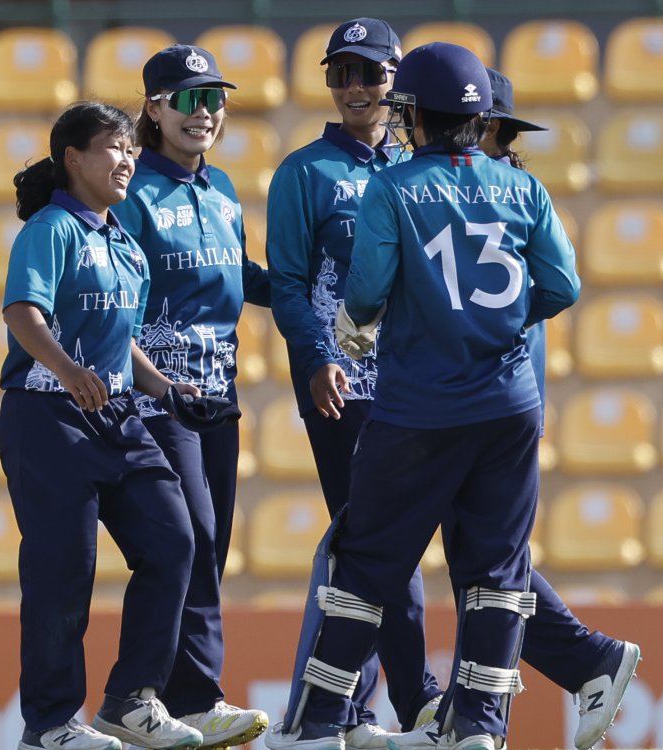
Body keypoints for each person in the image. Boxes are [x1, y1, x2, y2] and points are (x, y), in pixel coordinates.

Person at [266, 42, 585, 750]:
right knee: (496, 570)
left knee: (369, 558)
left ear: (416, 112)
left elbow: (368, 294)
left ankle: (322, 719)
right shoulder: (522, 187)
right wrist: (494, 323)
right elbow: (563, 287)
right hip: (507, 401)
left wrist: (352, 333)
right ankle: (478, 727)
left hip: (418, 403)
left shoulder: (398, 185)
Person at [397, 67, 643, 750]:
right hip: (492, 397)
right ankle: (489, 708)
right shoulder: (504, 201)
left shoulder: (495, 201)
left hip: (471, 399)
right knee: (486, 559)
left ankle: (502, 706)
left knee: (490, 564)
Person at [0, 102, 208, 750]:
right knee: (65, 569)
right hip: (48, 417)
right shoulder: (51, 229)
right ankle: (50, 724)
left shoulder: (124, 242)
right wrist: (66, 370)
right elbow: (22, 313)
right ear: (73, 159)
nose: (126, 160)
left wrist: (167, 390)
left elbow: (123, 347)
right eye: (113, 148)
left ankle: (131, 700)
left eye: (128, 149)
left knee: (174, 540)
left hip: (115, 417)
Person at [266, 17, 442, 748]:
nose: (354, 88)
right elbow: (288, 282)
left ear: (396, 78)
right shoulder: (304, 172)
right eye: (341, 74)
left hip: (416, 384)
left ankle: (358, 707)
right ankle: (410, 697)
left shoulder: (418, 167)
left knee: (382, 541)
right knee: (375, 538)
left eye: (369, 73)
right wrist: (313, 361)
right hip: (343, 386)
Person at [109, 44, 270, 750]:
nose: (205, 112)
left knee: (213, 544)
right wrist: (157, 383)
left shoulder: (224, 189)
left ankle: (176, 702)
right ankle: (192, 697)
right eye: (188, 98)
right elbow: (110, 305)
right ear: (154, 108)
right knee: (193, 536)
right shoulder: (132, 191)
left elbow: (245, 277)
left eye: (215, 98)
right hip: (157, 400)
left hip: (219, 395)